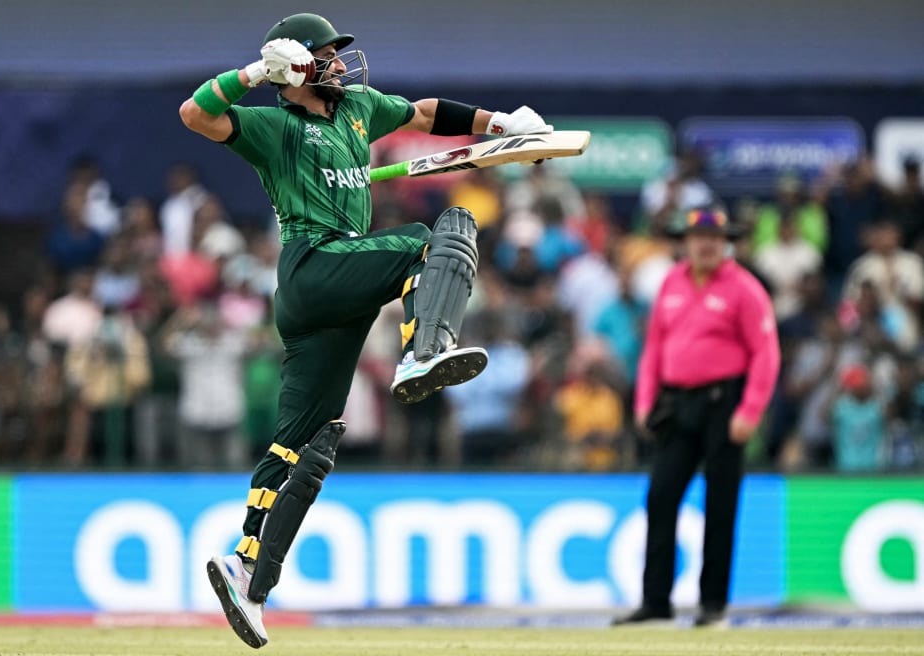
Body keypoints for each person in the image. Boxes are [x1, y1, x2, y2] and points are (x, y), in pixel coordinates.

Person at [178, 12, 552, 648]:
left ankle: (249, 576)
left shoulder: (357, 110)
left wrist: (499, 124)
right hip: (312, 268)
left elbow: (425, 114)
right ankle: (423, 351)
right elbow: (195, 113)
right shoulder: (273, 127)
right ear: (292, 66)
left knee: (306, 445)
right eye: (326, 55)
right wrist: (250, 73)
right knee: (436, 235)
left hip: (337, 294)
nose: (341, 64)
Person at [614, 208, 780, 627]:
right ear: (684, 242)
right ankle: (656, 602)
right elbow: (654, 346)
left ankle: (712, 605)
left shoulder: (745, 289)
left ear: (726, 241)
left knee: (720, 505)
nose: (706, 243)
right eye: (697, 236)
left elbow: (766, 352)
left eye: (714, 236)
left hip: (725, 403)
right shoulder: (672, 282)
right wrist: (644, 400)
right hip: (677, 403)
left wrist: (750, 409)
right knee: (661, 496)